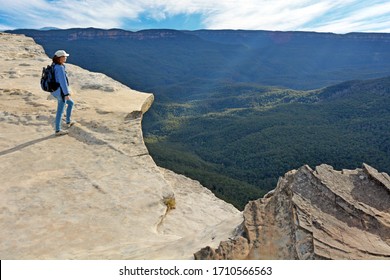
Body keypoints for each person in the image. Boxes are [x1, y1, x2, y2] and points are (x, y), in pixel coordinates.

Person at [51, 50, 75, 136]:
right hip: (61, 92)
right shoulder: (60, 68)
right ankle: (58, 130)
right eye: (64, 57)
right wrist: (66, 94)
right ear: (59, 58)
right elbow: (63, 82)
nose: (66, 58)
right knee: (60, 111)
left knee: (71, 103)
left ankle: (68, 121)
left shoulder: (54, 65)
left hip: (55, 91)